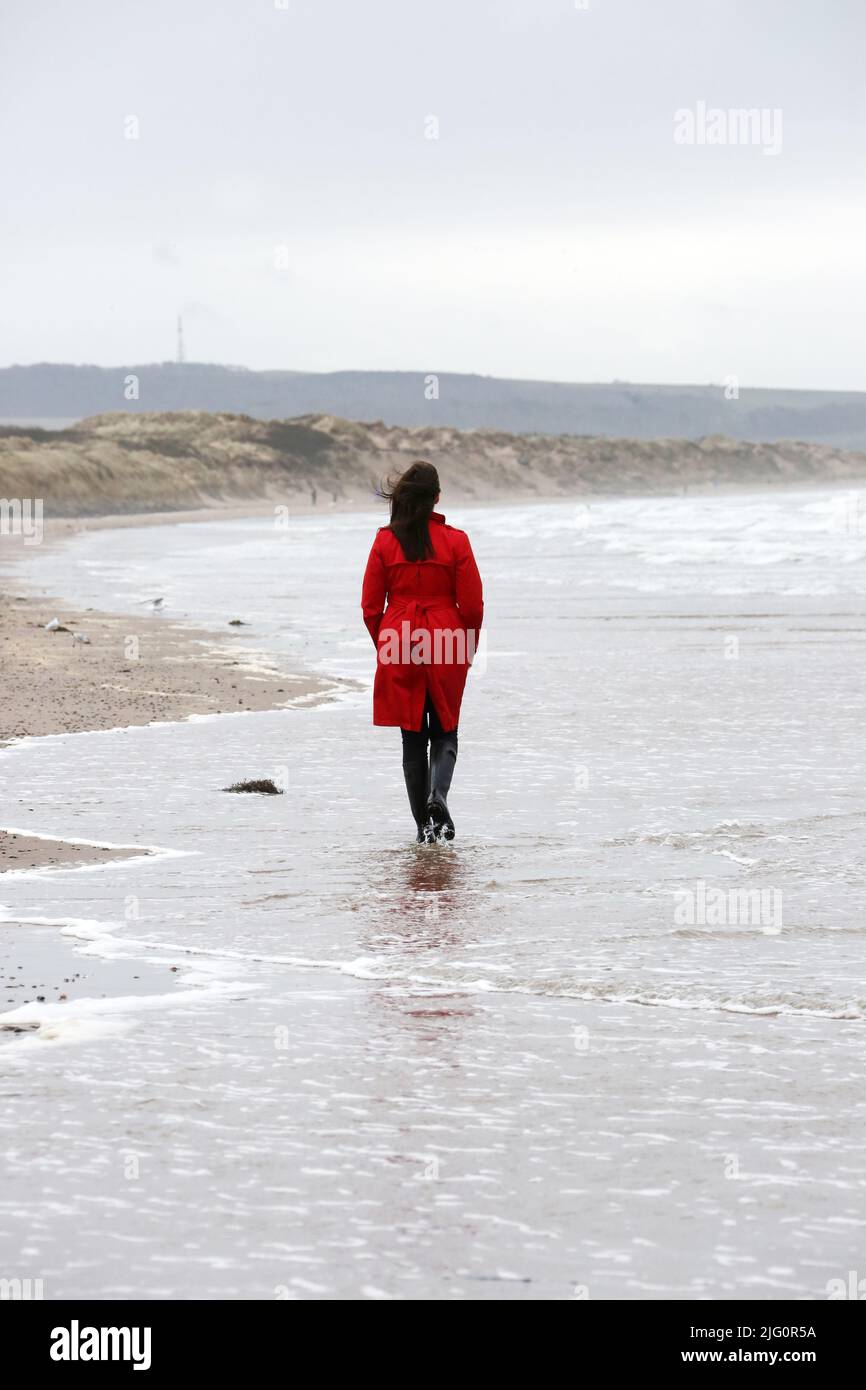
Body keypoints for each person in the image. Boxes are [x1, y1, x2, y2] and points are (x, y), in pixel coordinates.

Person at [361, 461, 484, 842]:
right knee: (446, 729)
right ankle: (438, 795)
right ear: (437, 499)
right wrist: (467, 645)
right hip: (448, 636)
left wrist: (387, 642)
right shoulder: (457, 540)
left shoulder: (384, 541)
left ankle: (423, 829)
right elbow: (474, 606)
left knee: (412, 736)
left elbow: (369, 607)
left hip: (399, 637)